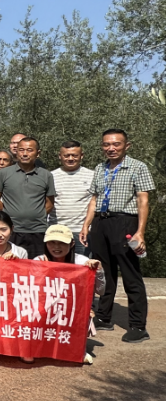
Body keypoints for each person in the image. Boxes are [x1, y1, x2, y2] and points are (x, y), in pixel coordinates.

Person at [81, 128, 155, 343]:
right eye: (106, 144)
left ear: (126, 146)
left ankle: (138, 326)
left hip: (124, 222)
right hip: (101, 222)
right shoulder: (100, 168)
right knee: (103, 273)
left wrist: (140, 232)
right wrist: (86, 225)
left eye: (116, 144)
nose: (111, 148)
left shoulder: (138, 167)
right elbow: (94, 199)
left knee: (130, 274)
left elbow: (143, 200)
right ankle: (104, 317)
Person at [30, 224, 105, 364]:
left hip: (72, 309)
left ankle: (78, 349)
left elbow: (100, 291)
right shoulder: (38, 260)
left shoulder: (83, 262)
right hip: (46, 307)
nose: (56, 247)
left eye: (62, 243)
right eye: (52, 242)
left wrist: (99, 271)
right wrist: (41, 271)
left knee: (82, 314)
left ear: (72, 244)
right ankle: (35, 346)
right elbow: (30, 292)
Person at [0, 136, 55, 258]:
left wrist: (38, 214)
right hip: (11, 231)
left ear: (38, 153)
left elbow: (49, 203)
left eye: (29, 150)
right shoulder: (4, 174)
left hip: (38, 231)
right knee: (10, 264)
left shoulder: (46, 175)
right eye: (21, 150)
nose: (25, 154)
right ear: (16, 152)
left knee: (38, 265)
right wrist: (6, 212)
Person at [49, 141, 94, 256]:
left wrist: (86, 227)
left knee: (82, 264)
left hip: (82, 231)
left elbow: (95, 203)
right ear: (60, 156)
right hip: (57, 231)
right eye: (66, 155)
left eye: (74, 155)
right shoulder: (50, 176)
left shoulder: (92, 175)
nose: (70, 159)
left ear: (81, 156)